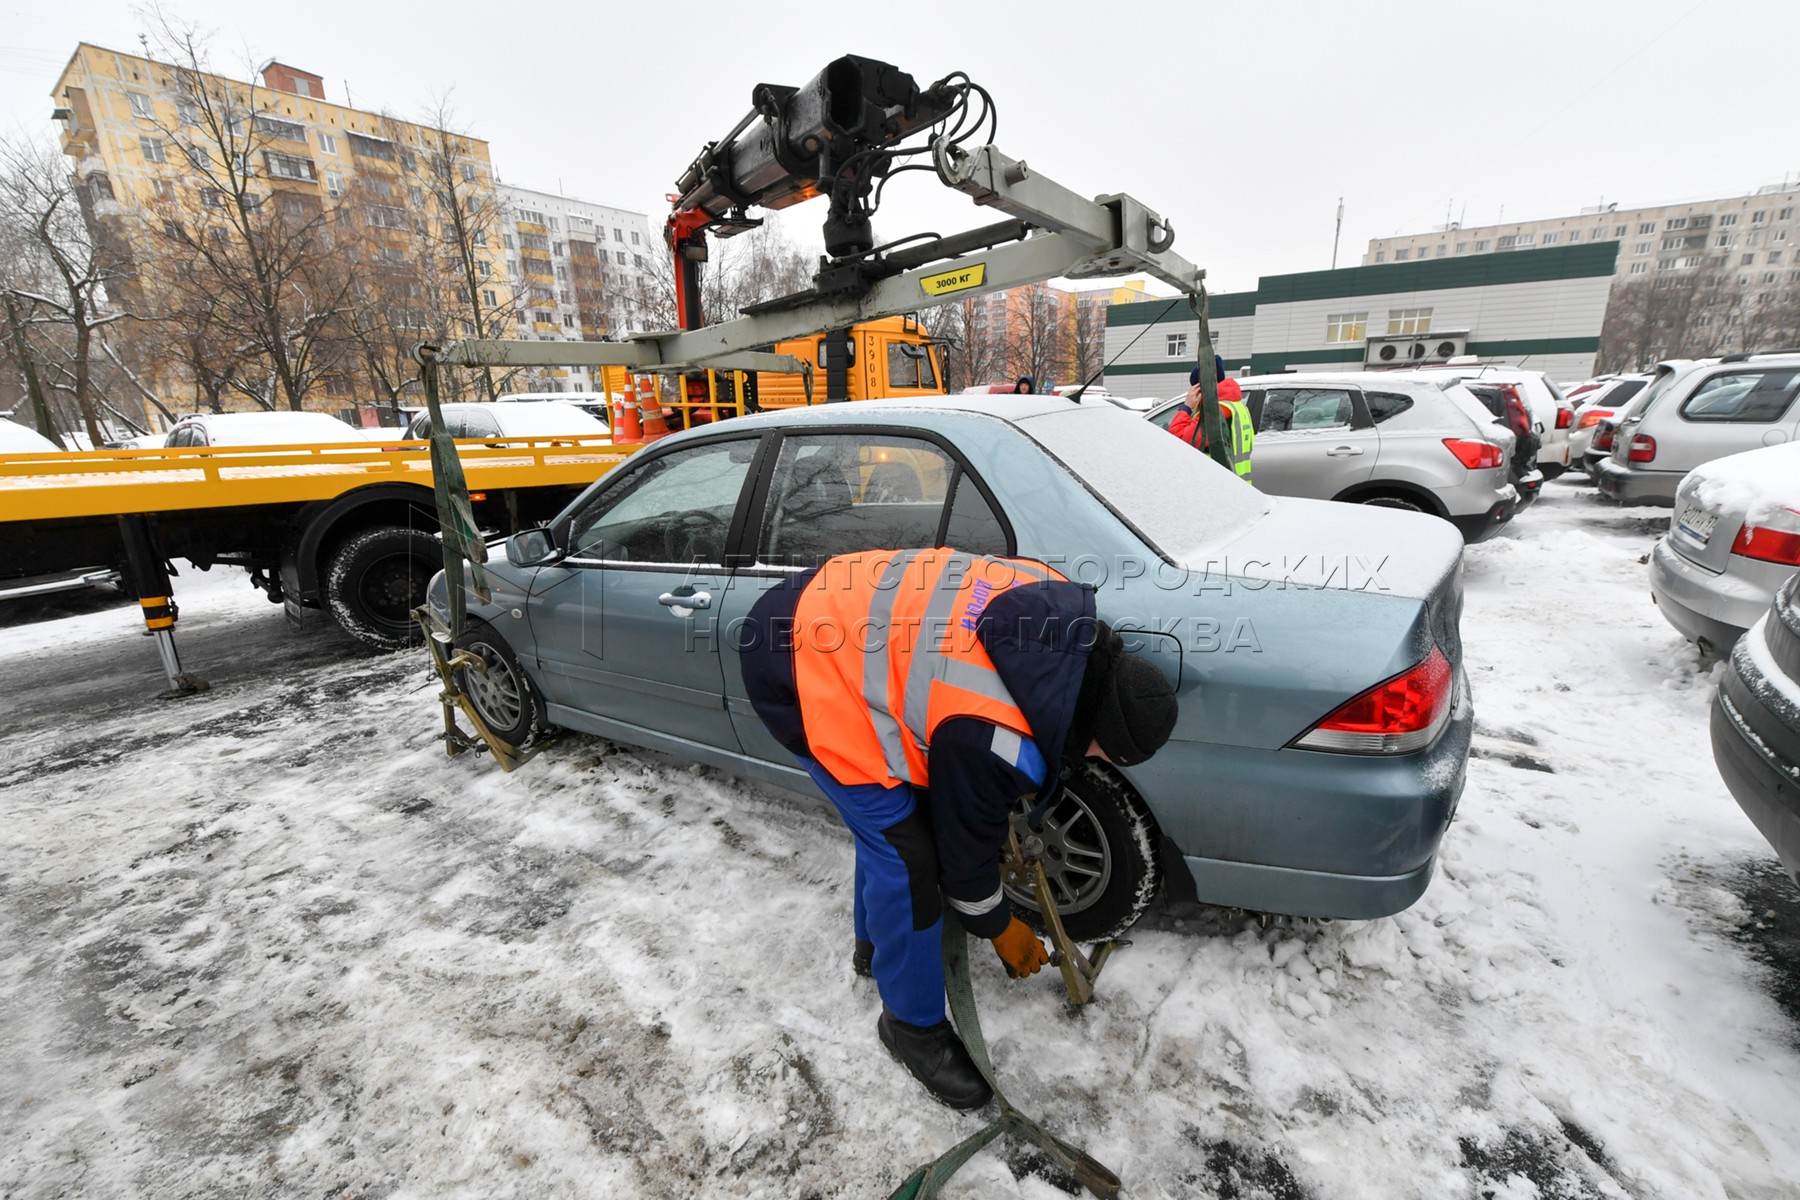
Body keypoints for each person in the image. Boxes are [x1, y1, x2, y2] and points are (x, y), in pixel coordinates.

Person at [737, 548, 1178, 1110]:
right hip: (798, 666)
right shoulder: (992, 735)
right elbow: (964, 867)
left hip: (829, 600)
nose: (1098, 763)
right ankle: (911, 1029)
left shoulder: (1058, 604)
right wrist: (999, 925)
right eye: (1103, 754)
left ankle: (876, 947)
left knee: (900, 831)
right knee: (907, 855)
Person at [1168, 355, 1255, 482]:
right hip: (1236, 483)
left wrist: (1186, 407)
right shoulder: (1238, 407)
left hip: (1215, 483)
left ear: (1200, 387)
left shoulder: (1214, 412)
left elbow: (1177, 440)